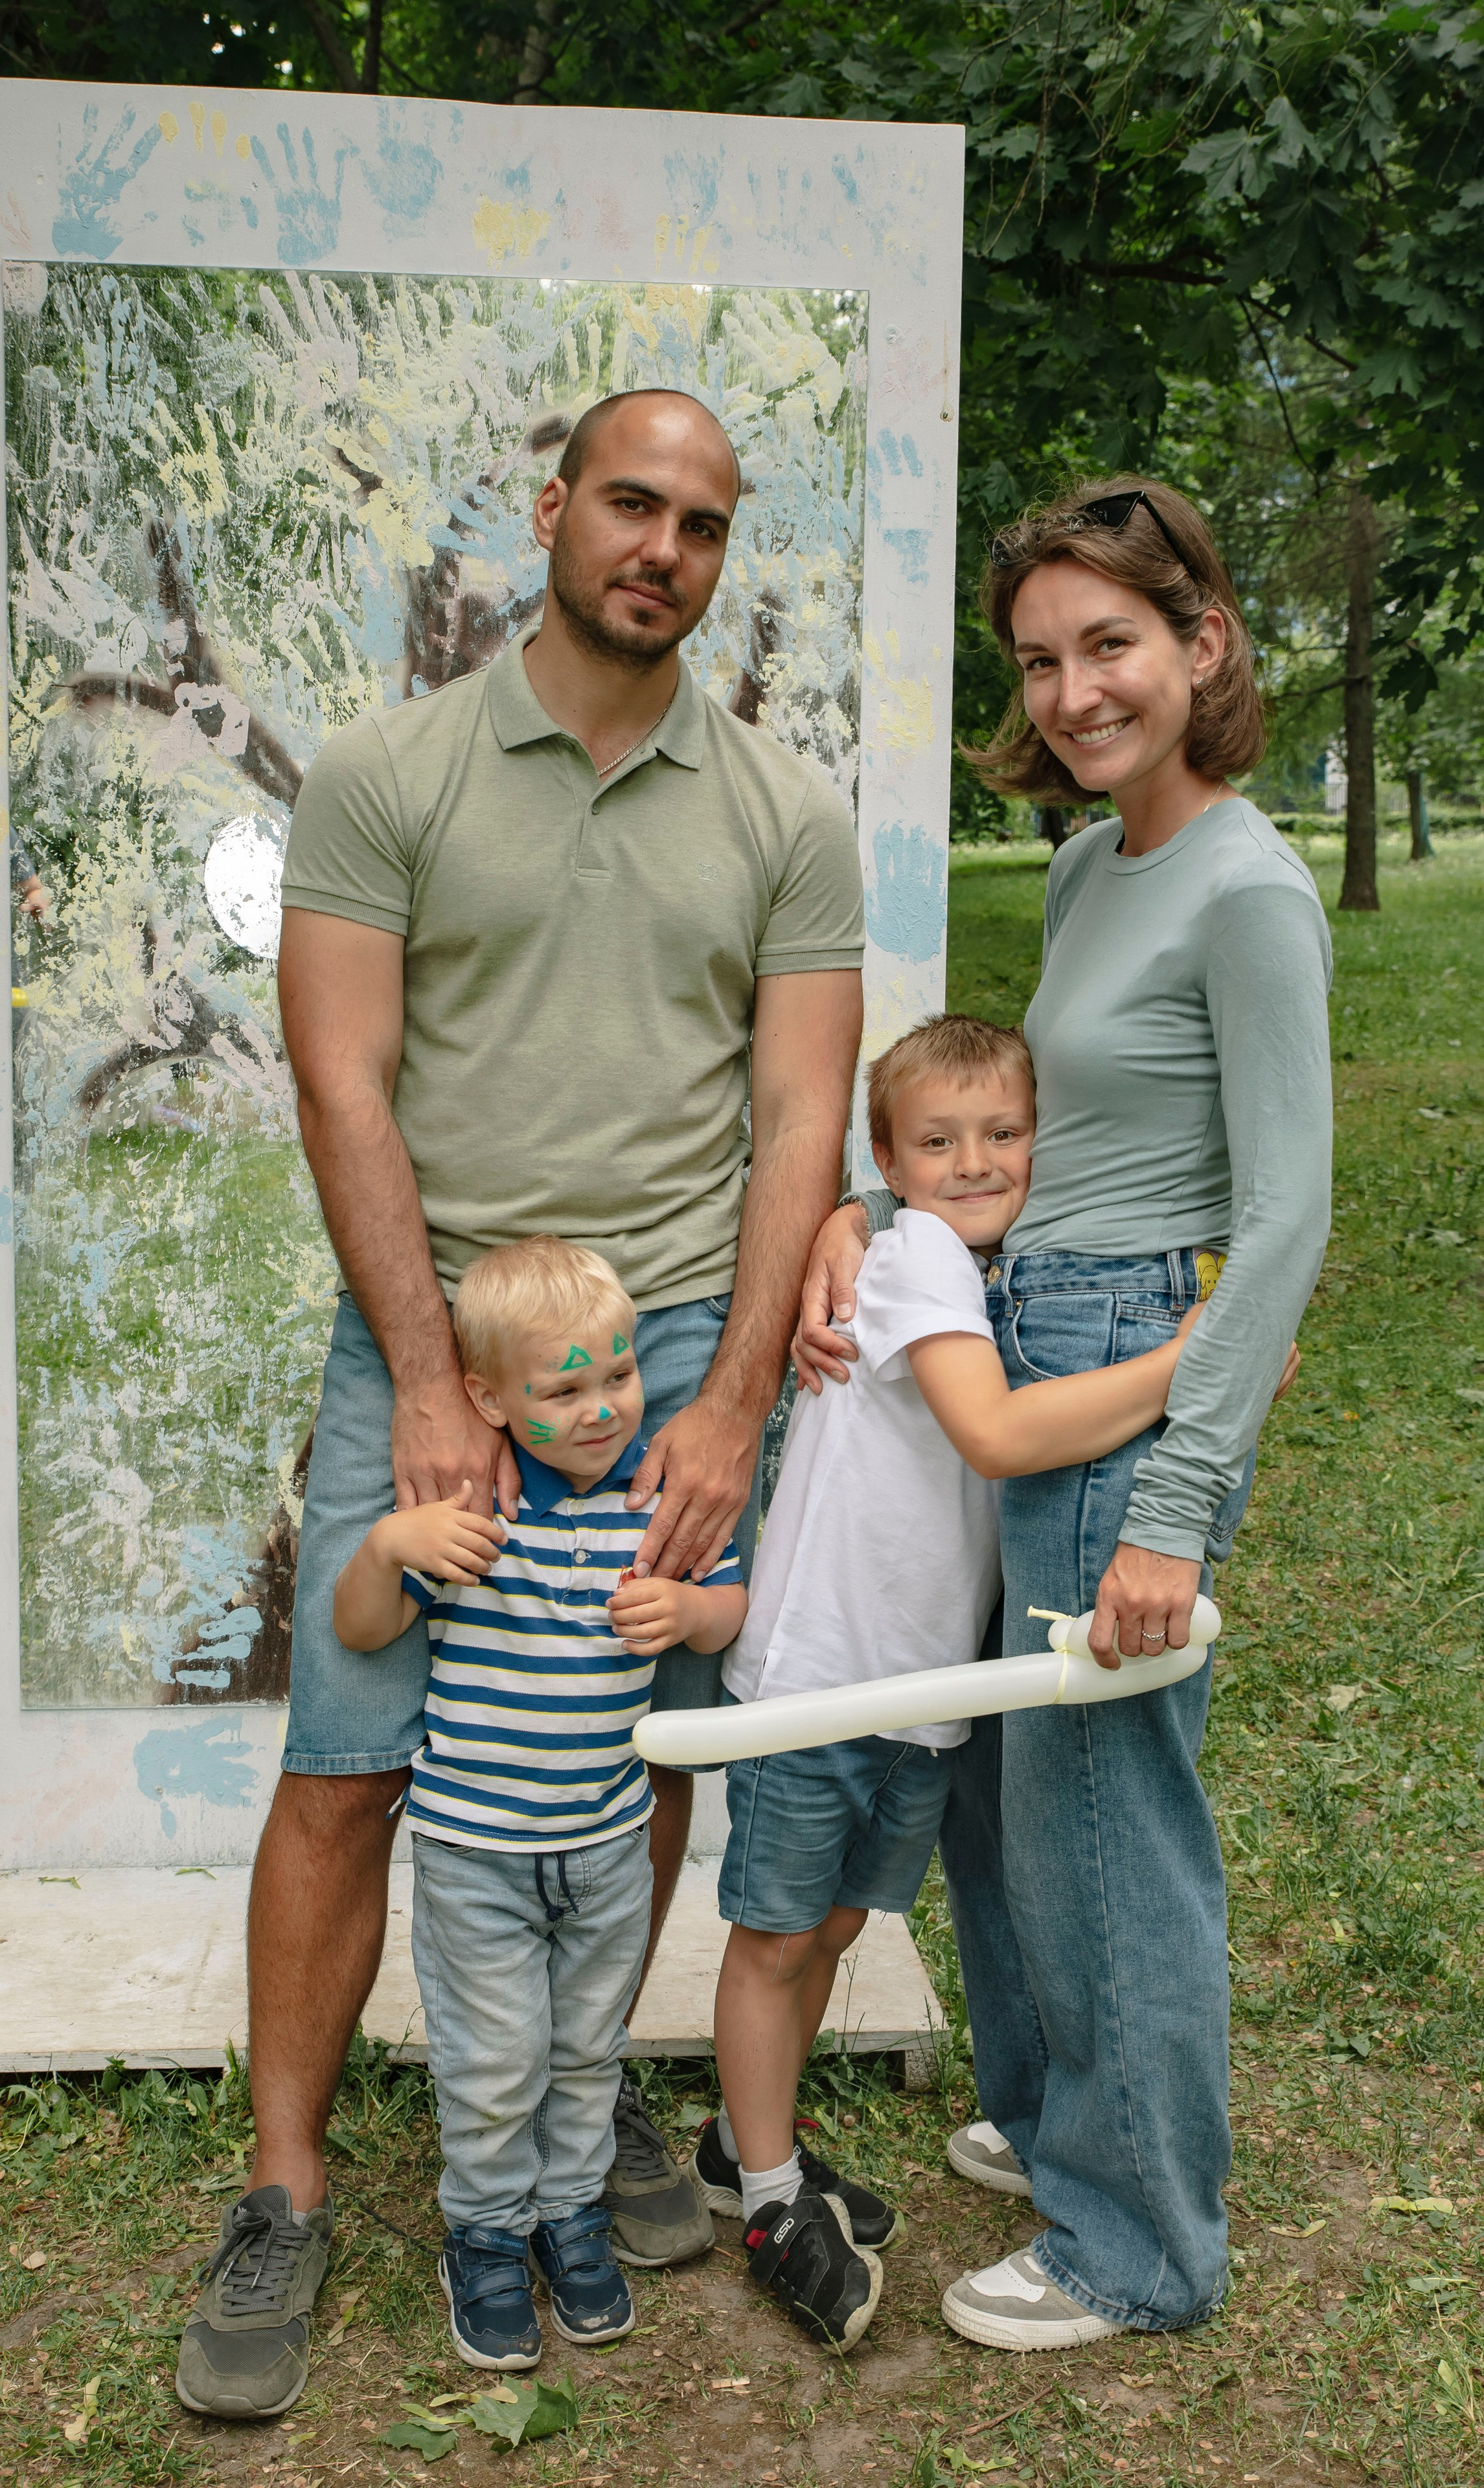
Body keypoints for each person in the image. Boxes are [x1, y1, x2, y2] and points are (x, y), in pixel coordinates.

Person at [176, 388, 864, 2420]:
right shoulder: (392, 771)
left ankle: (575, 2111)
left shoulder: (783, 814)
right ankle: (286, 2195)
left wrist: (734, 1396)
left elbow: (807, 1110)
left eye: (705, 524)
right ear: (551, 511)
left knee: (623, 1731)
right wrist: (421, 1375)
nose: (663, 546)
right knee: (347, 1753)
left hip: (662, 1349)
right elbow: (341, 1077)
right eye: (631, 504)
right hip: (439, 1325)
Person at [796, 477, 1332, 2351]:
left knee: (1109, 1811)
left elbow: (1288, 1217)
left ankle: (1143, 2247)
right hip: (1031, 1321)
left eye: (1111, 642)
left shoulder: (1251, 890)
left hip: (1123, 1381)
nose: (1076, 687)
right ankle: (1053, 2120)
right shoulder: (1105, 860)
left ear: (1203, 642)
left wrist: (1181, 1500)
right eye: (1040, 655)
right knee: (1001, 1803)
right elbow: (1045, 1127)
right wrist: (879, 1212)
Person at [695, 1012, 1244, 2353]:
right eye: (934, 1142)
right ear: (888, 1156)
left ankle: (739, 2144)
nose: (975, 1159)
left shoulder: (981, 1251)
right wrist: (1199, 1364)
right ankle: (766, 2190)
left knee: (827, 1930)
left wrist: (861, 1201)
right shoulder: (916, 1253)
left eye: (1004, 1132)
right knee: (777, 1935)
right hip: (827, 1666)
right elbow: (993, 1437)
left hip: (917, 1687)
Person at [332, 1238, 747, 2369]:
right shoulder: (473, 1519)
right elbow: (362, 1626)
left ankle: (570, 2212)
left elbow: (729, 1599)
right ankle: (484, 2231)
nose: (604, 1405)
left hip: (609, 1845)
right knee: (497, 2055)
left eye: (616, 1374)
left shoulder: (653, 1505)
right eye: (563, 1389)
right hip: (477, 1852)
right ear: (490, 1398)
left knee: (586, 2049)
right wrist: (387, 1545)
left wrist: (689, 1616)